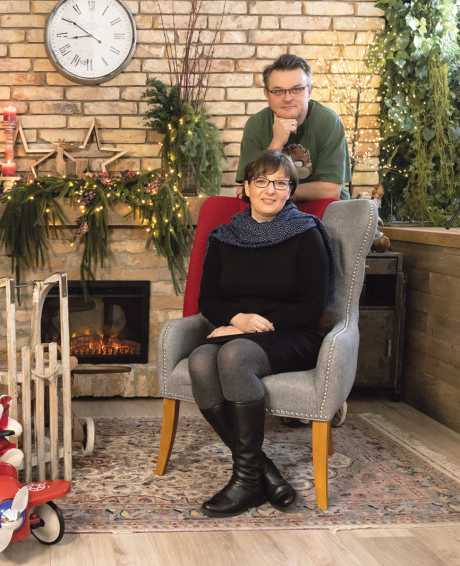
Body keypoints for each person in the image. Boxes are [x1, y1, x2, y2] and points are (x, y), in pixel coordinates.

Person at [189, 150, 336, 517]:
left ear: (291, 190)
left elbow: (313, 305)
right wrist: (237, 319)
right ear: (246, 188)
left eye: (281, 183)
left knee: (235, 355)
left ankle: (245, 481)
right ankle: (263, 474)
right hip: (242, 330)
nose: (271, 190)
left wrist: (253, 325)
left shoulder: (306, 233)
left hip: (294, 333)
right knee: (201, 360)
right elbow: (208, 299)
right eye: (261, 181)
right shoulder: (224, 236)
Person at [236, 54, 352, 201]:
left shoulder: (328, 121)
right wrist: (276, 143)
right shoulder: (256, 124)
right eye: (278, 91)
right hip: (275, 210)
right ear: (267, 95)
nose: (287, 98)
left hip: (327, 209)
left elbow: (330, 191)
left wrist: (274, 190)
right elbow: (248, 188)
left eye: (296, 89)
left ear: (309, 91)